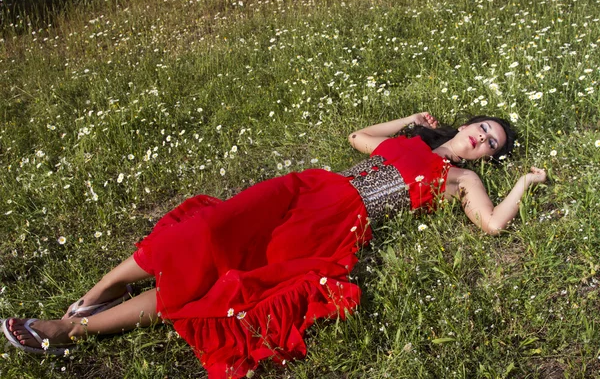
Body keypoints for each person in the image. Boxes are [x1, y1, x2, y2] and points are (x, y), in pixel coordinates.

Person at [2, 112, 546, 379]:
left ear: (486, 159)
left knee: (224, 285)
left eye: (492, 143)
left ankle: (72, 328)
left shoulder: (459, 179)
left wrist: (523, 184)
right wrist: (410, 119)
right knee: (206, 231)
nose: (481, 136)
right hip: (308, 191)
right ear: (470, 121)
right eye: (483, 126)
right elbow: (358, 140)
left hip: (335, 228)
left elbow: (493, 225)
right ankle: (94, 294)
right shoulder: (412, 140)